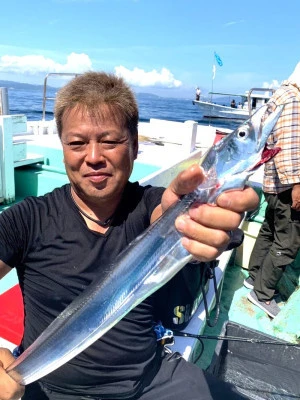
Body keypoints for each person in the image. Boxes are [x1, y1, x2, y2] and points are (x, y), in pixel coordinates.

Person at [0, 71, 258, 400]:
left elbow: (166, 217)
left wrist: (195, 226)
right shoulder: (28, 218)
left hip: (148, 380)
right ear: (63, 150)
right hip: (49, 386)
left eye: (110, 141)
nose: (93, 157)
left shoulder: (155, 207)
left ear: (135, 146)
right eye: (77, 143)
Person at [244, 62, 300, 318]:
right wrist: (297, 184)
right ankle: (263, 293)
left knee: (269, 230)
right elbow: (290, 147)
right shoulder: (294, 99)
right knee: (287, 242)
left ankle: (254, 278)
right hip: (288, 187)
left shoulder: (280, 95)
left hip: (274, 185)